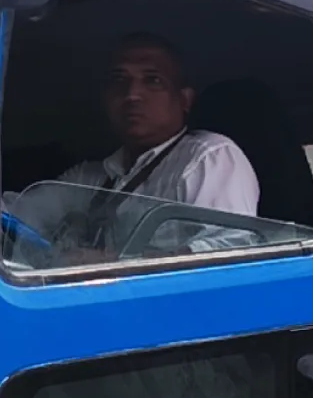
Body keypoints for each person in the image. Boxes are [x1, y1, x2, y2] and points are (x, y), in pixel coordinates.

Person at [15, 32, 260, 262]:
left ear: (184, 99)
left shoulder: (208, 158)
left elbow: (228, 251)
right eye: (120, 80)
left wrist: (114, 263)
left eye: (153, 80)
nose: (132, 94)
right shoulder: (91, 176)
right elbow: (19, 213)